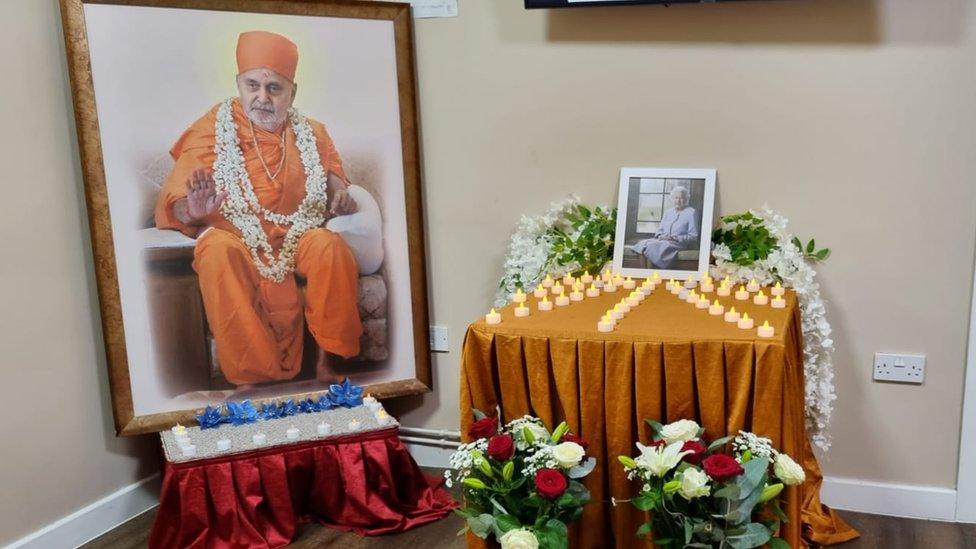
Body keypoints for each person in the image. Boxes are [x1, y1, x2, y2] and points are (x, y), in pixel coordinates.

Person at [154, 30, 362, 386]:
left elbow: (332, 174)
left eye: (274, 88)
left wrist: (341, 193)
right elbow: (181, 205)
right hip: (237, 236)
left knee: (331, 247)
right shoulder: (213, 127)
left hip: (298, 234)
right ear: (239, 83)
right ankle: (251, 377)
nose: (261, 97)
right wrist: (196, 209)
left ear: (291, 93)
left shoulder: (312, 132)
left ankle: (331, 362)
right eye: (252, 85)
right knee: (214, 249)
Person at [630, 186, 699, 269]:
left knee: (651, 247)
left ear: (686, 199)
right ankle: (645, 273)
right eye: (676, 198)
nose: (678, 201)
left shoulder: (691, 212)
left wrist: (675, 238)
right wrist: (660, 236)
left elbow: (693, 236)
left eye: (681, 198)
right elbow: (660, 230)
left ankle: (649, 275)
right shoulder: (668, 212)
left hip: (677, 243)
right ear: (672, 199)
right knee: (642, 244)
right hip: (663, 240)